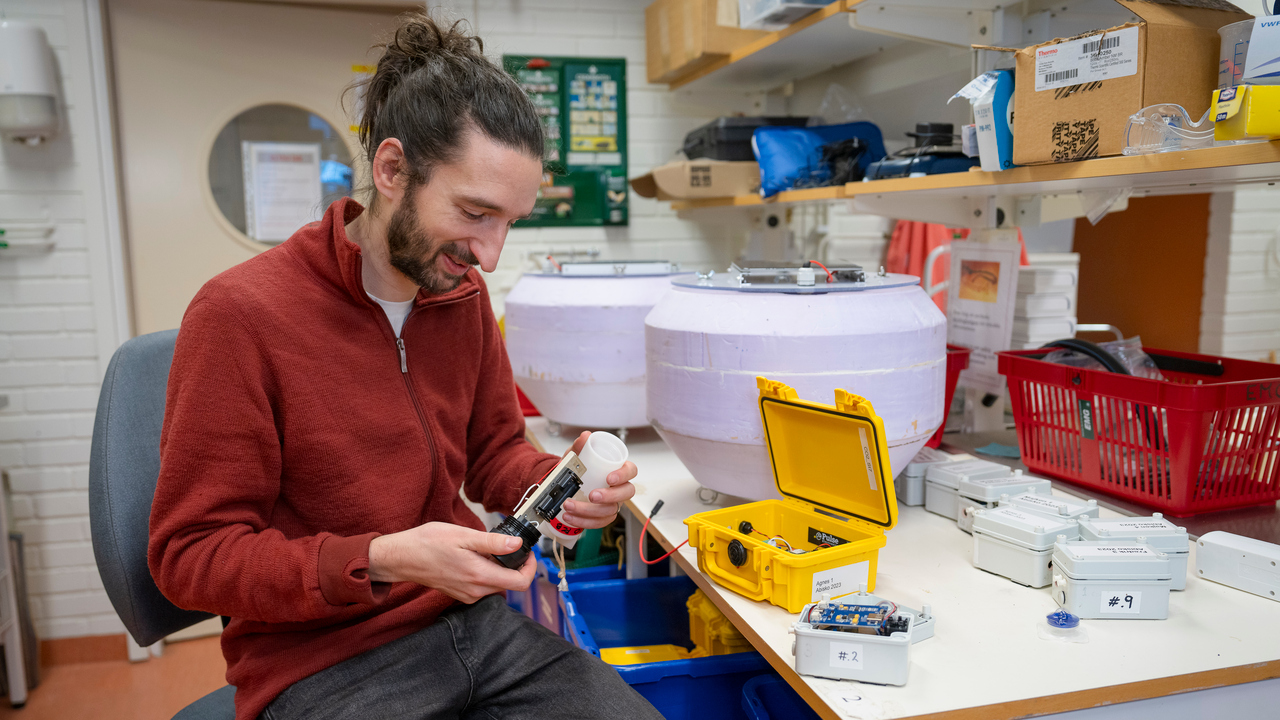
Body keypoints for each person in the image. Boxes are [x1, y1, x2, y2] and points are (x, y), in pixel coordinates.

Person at [148, 14, 664, 720]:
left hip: (474, 625)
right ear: (391, 170)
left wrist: (553, 485)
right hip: (321, 664)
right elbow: (190, 557)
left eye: (511, 221)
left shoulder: (463, 297)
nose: (490, 254)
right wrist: (385, 558)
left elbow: (493, 455)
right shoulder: (240, 316)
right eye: (475, 213)